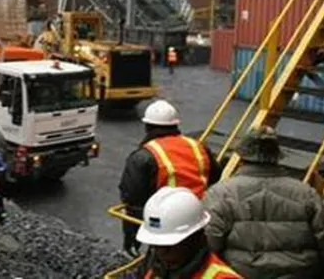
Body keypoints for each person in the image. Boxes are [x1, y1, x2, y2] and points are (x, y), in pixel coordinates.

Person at [203, 126, 324, 278]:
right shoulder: (306, 193)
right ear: (277, 157)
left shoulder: (221, 193)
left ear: (241, 157)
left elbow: (208, 245)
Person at [119, 100, 221, 256]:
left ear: (147, 126)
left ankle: (138, 253)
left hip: (168, 222)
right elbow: (216, 176)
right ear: (175, 125)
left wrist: (133, 237)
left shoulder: (144, 155)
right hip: (200, 215)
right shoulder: (198, 146)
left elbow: (132, 197)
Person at [137, 186, 241, 278]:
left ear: (195, 237)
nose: (160, 252)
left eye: (168, 246)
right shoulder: (157, 270)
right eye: (155, 245)